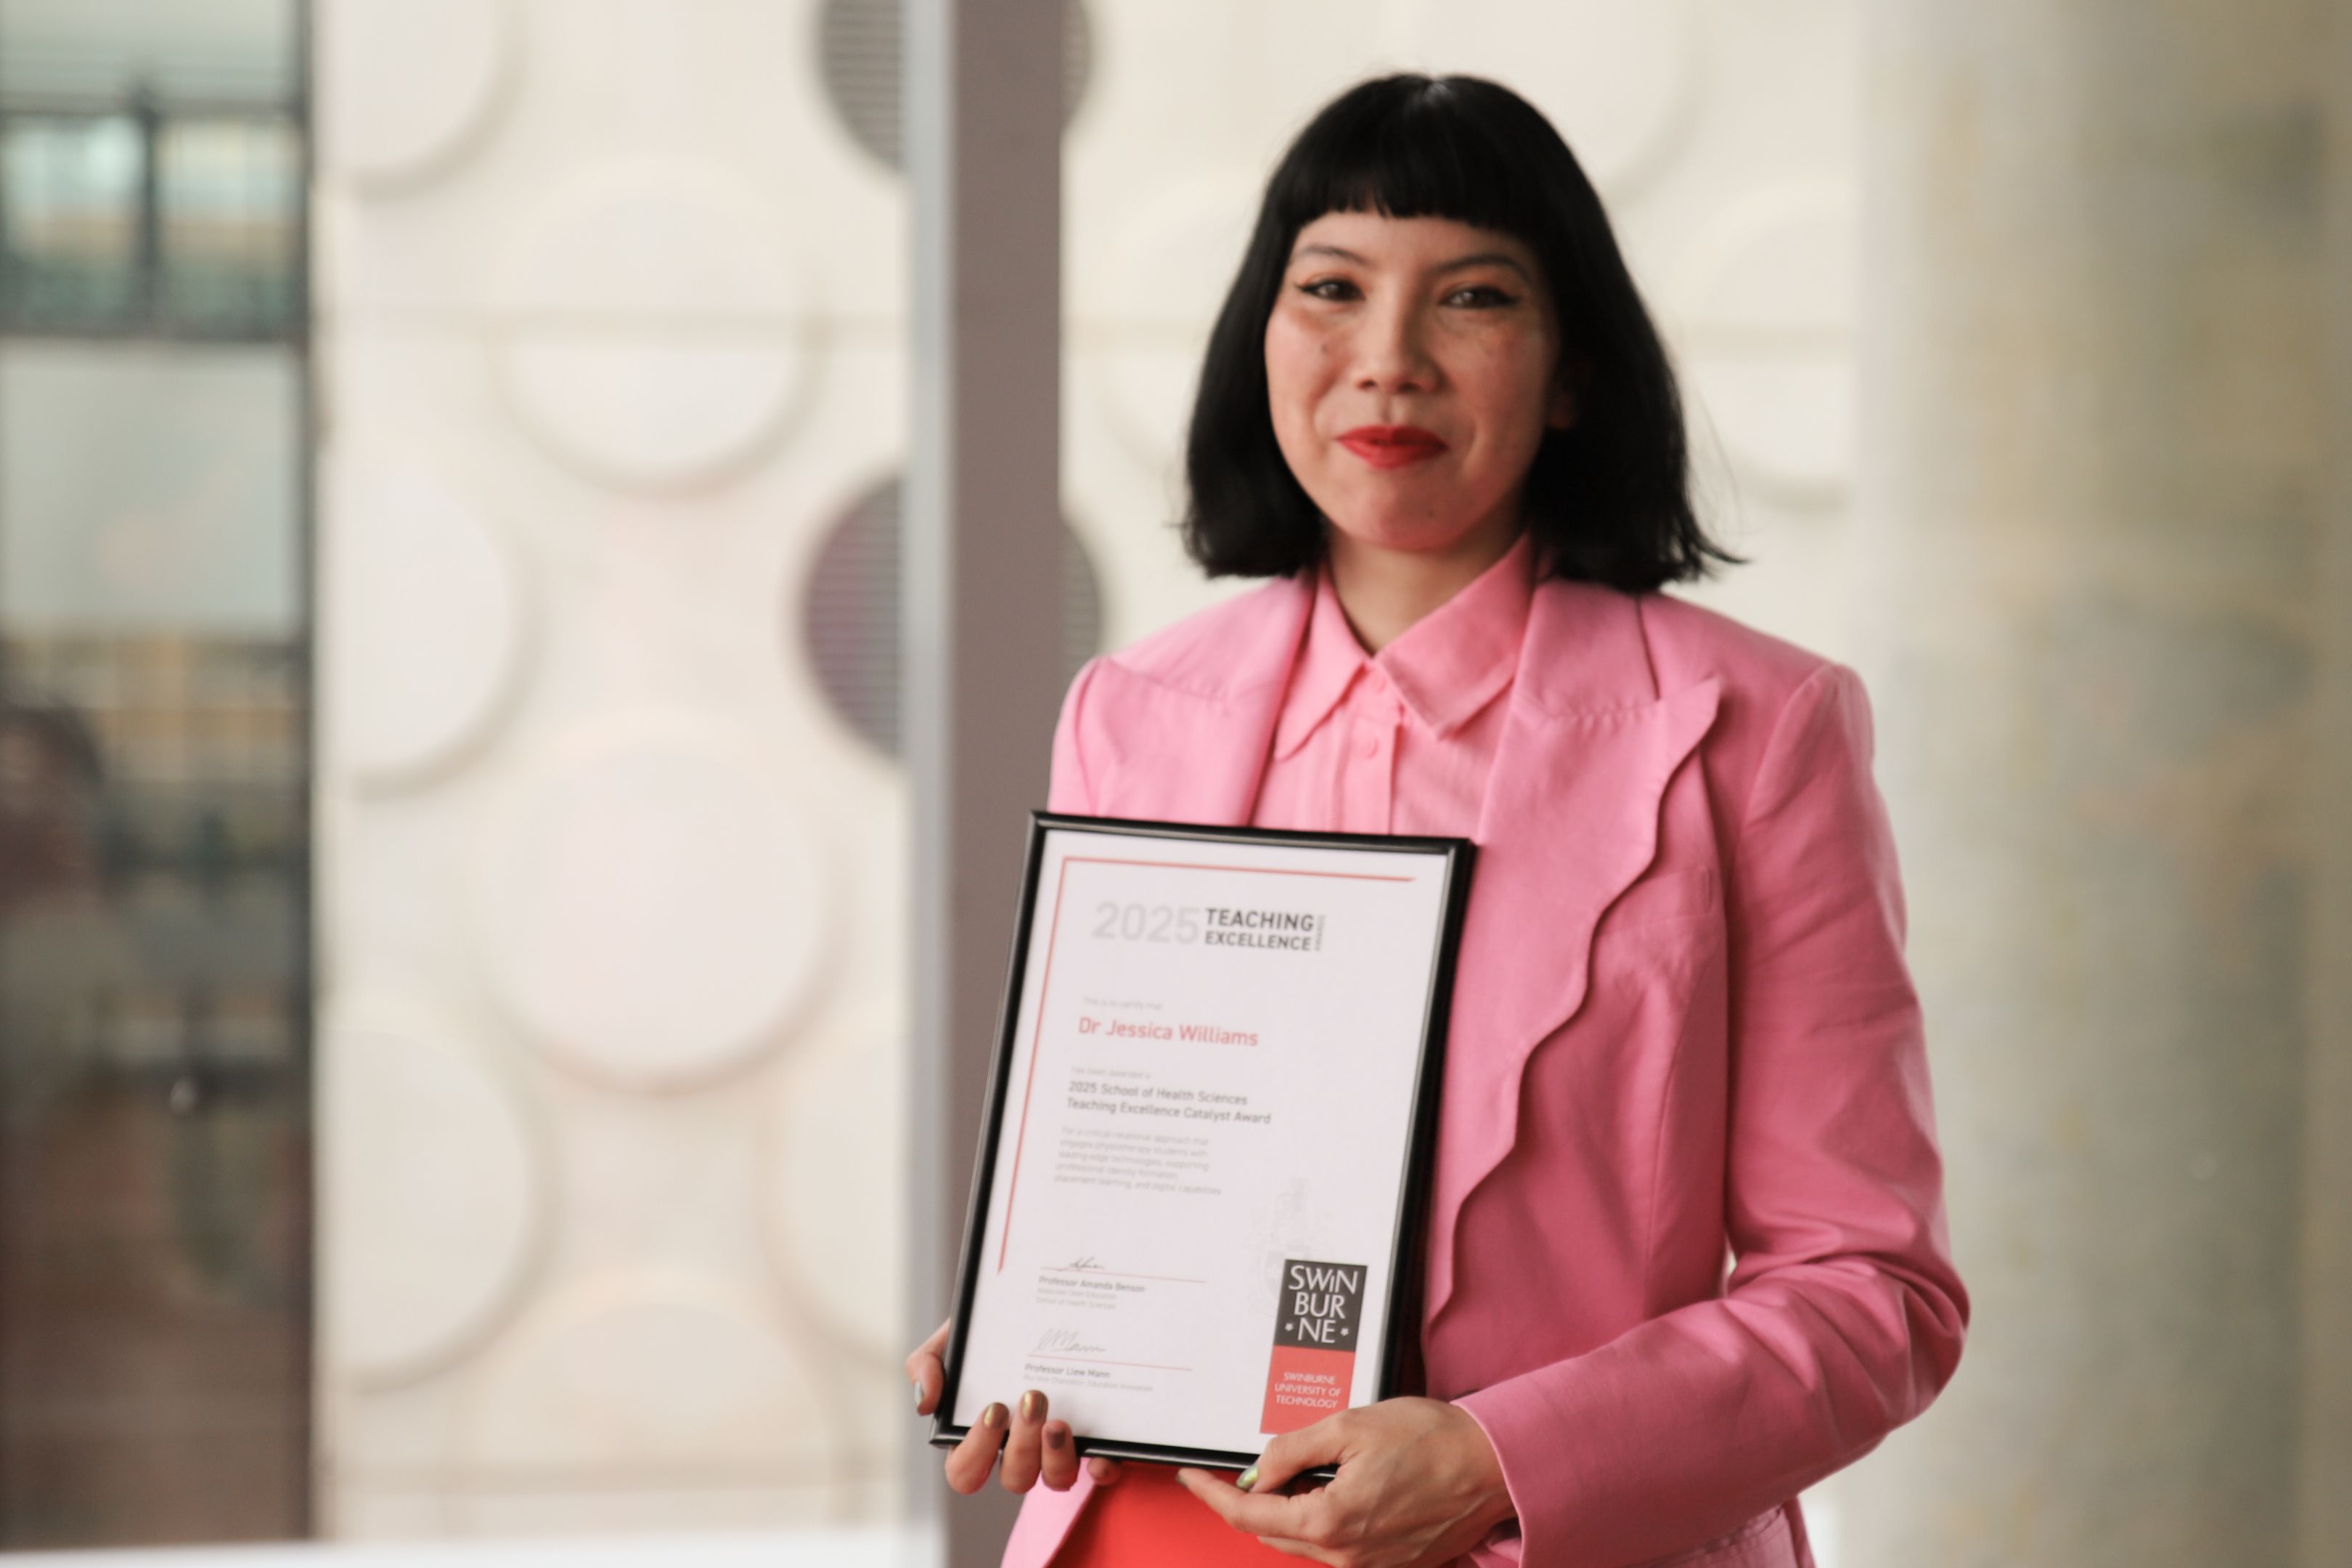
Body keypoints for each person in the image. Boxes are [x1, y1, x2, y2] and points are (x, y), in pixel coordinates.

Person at [908, 73, 1967, 1568]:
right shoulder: (1131, 712)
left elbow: (1874, 1294)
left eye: (1472, 297)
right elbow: (1132, 1176)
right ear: (1262, 337)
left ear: (1573, 370)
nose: (1388, 360)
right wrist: (1045, 1332)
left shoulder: (1758, 731)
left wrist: (1500, 1458)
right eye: (1332, 287)